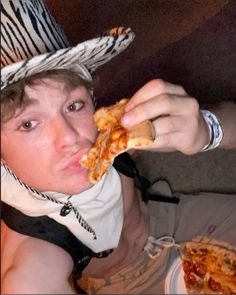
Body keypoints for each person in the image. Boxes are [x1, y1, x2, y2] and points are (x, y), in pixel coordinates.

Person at [1, 1, 236, 294]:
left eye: (73, 105)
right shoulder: (31, 247)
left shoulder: (112, 131)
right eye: (27, 124)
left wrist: (207, 130)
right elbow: (30, 281)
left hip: (171, 219)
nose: (70, 138)